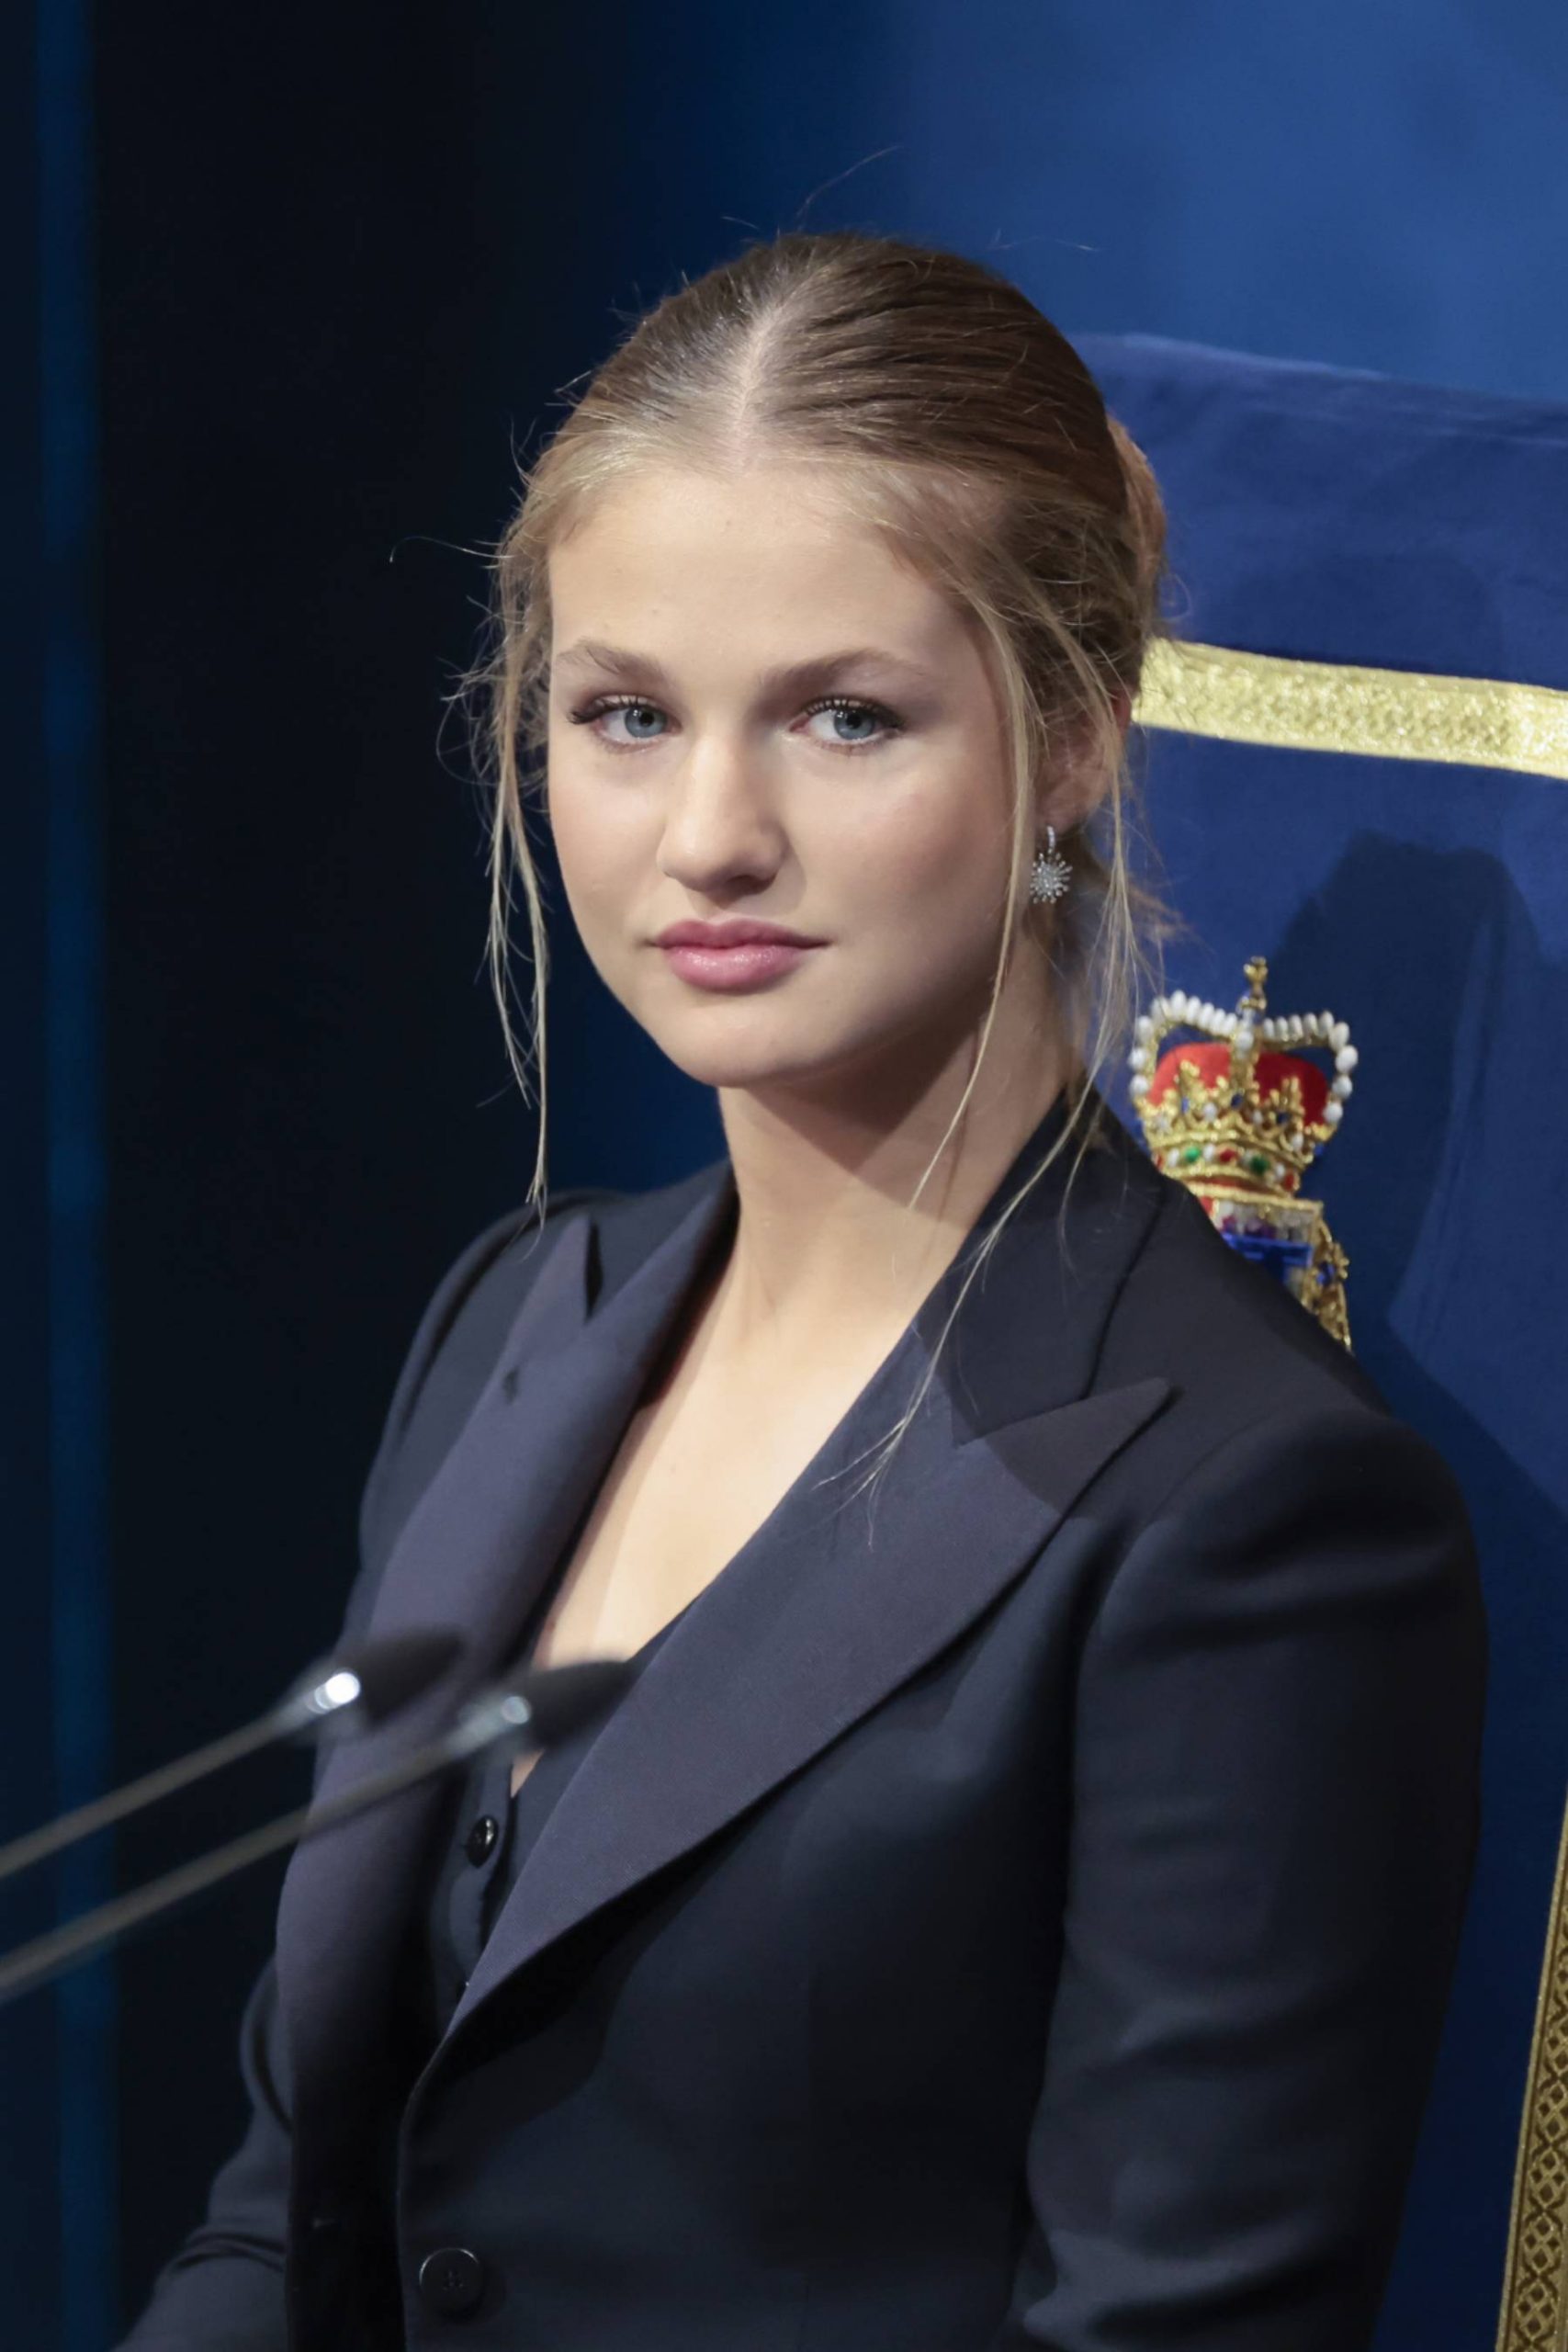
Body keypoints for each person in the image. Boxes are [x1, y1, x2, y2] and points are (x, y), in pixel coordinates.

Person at [118, 229, 1485, 2352]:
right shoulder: (514, 1316)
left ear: (1075, 732)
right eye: (626, 714)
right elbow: (285, 2205)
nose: (708, 834)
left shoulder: (1250, 1518)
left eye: (844, 717)